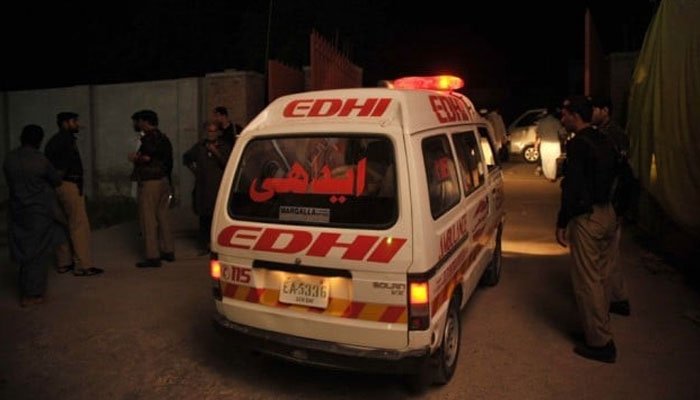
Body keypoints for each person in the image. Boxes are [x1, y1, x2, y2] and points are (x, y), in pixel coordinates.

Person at [555, 95, 619, 363]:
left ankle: (600, 343)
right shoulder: (604, 139)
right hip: (608, 213)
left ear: (575, 116)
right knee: (601, 277)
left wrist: (562, 221)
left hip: (588, 217)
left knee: (587, 281)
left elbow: (572, 187)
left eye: (565, 114)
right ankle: (597, 329)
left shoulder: (578, 145)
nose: (562, 119)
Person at [3, 125, 67, 307]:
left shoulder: (10, 159)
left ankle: (25, 289)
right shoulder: (40, 160)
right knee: (37, 254)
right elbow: (56, 180)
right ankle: (32, 294)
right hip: (38, 212)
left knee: (24, 250)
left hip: (17, 210)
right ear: (39, 141)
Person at [44, 112, 103, 277]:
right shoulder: (66, 140)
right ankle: (83, 266)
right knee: (78, 224)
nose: (78, 124)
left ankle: (64, 262)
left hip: (58, 186)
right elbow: (61, 168)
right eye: (74, 121)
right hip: (68, 185)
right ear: (65, 123)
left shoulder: (53, 141)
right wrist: (60, 181)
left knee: (61, 224)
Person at [592, 96, 631, 316]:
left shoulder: (612, 135)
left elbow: (618, 174)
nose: (591, 113)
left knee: (605, 256)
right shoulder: (607, 133)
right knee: (610, 256)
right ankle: (618, 298)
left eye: (595, 109)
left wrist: (615, 206)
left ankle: (605, 304)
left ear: (605, 110)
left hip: (612, 202)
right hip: (613, 201)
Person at [129, 110, 174, 268]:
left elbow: (147, 157)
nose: (135, 124)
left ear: (144, 122)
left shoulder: (148, 138)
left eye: (137, 121)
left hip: (150, 182)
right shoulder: (163, 137)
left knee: (148, 219)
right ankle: (168, 250)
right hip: (164, 180)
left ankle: (153, 256)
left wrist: (135, 158)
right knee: (163, 217)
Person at [182, 121, 232, 255]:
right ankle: (204, 245)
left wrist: (216, 152)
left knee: (216, 217)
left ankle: (216, 245)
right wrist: (195, 171)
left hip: (218, 187)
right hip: (203, 187)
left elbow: (228, 164)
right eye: (209, 131)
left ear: (218, 132)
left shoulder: (225, 146)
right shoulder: (200, 146)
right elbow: (186, 158)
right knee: (204, 217)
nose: (211, 134)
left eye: (213, 131)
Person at [536, 106, 567, 181]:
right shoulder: (556, 121)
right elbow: (562, 133)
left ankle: (548, 175)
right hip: (554, 144)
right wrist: (563, 139)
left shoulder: (541, 122)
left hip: (544, 144)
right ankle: (552, 176)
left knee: (545, 160)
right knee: (553, 161)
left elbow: (538, 133)